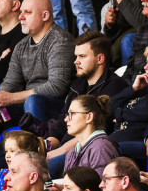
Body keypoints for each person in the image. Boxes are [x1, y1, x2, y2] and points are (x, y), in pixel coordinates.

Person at [0, 0, 75, 121]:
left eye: (27, 13)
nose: (20, 17)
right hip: (28, 104)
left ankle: (35, 141)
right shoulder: (21, 46)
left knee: (33, 101)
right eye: (21, 12)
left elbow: (57, 87)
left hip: (59, 107)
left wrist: (12, 98)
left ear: (45, 16)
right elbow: (11, 82)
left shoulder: (60, 41)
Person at [45, 31, 128, 160]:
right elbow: (62, 120)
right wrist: (46, 147)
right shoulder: (78, 84)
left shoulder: (115, 87)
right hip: (64, 147)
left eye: (82, 56)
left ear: (100, 59)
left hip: (86, 151)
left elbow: (98, 130)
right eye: (76, 56)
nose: (76, 62)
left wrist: (60, 151)